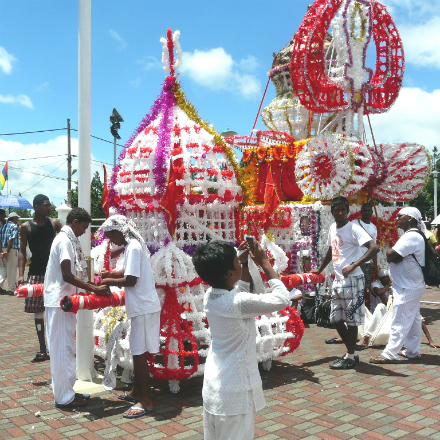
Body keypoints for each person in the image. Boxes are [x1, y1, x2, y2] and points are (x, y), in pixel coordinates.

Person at [192, 240, 290, 440]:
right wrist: (265, 263)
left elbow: (242, 289)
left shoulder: (211, 295)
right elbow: (282, 299)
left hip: (215, 386)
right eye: (236, 261)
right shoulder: (238, 303)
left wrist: (243, 263)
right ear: (229, 273)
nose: (239, 261)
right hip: (234, 393)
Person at [44, 207, 109, 409]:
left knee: (63, 348)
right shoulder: (64, 240)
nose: (85, 231)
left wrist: (91, 285)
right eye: (84, 226)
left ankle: (67, 391)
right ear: (75, 222)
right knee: (63, 349)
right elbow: (67, 275)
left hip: (62, 301)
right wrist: (93, 288)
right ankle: (64, 398)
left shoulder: (66, 238)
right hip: (60, 301)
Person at [99, 214, 161, 419]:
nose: (111, 241)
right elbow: (128, 272)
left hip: (143, 307)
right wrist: (107, 276)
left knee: (139, 352)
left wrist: (107, 280)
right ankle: (137, 392)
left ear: (118, 232)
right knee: (139, 351)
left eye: (111, 237)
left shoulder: (133, 247)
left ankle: (146, 401)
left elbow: (132, 279)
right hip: (144, 306)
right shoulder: (133, 245)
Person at [312, 196, 379, 369]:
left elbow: (374, 248)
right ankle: (352, 353)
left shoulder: (354, 229)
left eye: (343, 209)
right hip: (339, 280)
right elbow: (331, 250)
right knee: (335, 319)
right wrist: (319, 269)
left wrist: (355, 264)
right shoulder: (333, 227)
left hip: (354, 279)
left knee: (351, 320)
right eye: (337, 209)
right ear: (332, 211)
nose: (340, 212)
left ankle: (350, 356)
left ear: (348, 211)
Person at [370, 207, 426, 364]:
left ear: (410, 219)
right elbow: (396, 257)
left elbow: (390, 255)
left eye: (400, 216)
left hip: (408, 286)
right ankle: (413, 351)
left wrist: (392, 252)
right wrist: (395, 255)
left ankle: (390, 353)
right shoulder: (412, 235)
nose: (397, 218)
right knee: (414, 319)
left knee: (400, 318)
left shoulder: (412, 236)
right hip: (411, 284)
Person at [17, 194, 62, 362]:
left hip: (55, 273)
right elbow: (22, 251)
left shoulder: (55, 224)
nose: (49, 208)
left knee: (56, 310)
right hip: (35, 272)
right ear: (36, 207)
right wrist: (21, 275)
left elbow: (66, 242)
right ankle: (42, 349)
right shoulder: (26, 227)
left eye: (50, 205)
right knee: (37, 311)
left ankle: (56, 347)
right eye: (46, 205)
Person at [353, 203, 378, 310]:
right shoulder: (354, 224)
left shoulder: (373, 227)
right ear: (361, 212)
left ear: (372, 213)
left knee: (364, 288)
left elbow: (374, 247)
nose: (367, 212)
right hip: (354, 262)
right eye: (365, 210)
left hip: (367, 263)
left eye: (369, 211)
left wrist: (375, 264)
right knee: (354, 287)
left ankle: (362, 310)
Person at [0, 212, 21, 294]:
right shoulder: (14, 226)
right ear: (14, 218)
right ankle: (12, 289)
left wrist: (2, 251)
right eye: (17, 218)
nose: (18, 220)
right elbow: (11, 239)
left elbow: (0, 240)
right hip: (11, 249)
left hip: (3, 249)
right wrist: (7, 251)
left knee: (4, 268)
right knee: (12, 270)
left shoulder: (3, 227)